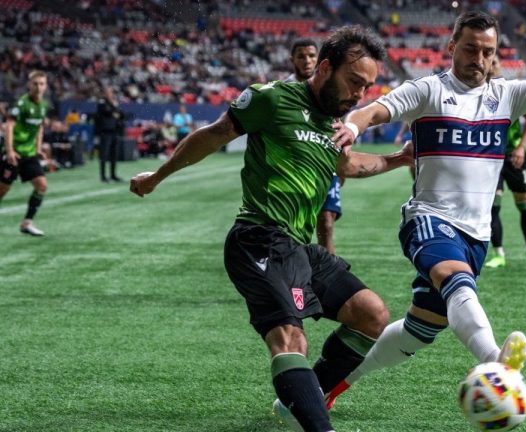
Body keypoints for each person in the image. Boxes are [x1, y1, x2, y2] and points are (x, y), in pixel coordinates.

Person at [330, 9, 526, 405]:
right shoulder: (428, 90)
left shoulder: (506, 95)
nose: (478, 60)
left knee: (420, 329)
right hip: (429, 219)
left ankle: (332, 384)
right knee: (455, 279)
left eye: (487, 52)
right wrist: (353, 126)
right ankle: (496, 361)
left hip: (476, 235)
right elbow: (375, 110)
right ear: (452, 47)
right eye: (469, 49)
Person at [129, 26, 410, 432]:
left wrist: (398, 160)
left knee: (372, 315)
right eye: (354, 82)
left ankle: (296, 401)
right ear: (326, 68)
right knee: (290, 340)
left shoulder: (334, 124)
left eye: (366, 87)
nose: (358, 95)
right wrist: (158, 175)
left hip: (298, 245)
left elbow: (348, 167)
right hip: (258, 237)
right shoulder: (271, 98)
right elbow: (213, 136)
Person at [484, 54, 526, 268]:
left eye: (495, 63)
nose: (491, 66)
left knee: (523, 203)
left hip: (514, 156)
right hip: (491, 157)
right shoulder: (476, 92)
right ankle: (498, 254)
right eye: (488, 62)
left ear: (500, 67)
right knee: (493, 206)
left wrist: (522, 146)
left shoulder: (510, 90)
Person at [284, 38, 343, 255]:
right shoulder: (285, 90)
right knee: (295, 227)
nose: (307, 60)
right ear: (292, 60)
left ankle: (329, 281)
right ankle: (295, 276)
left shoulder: (330, 89)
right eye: (301, 56)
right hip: (296, 167)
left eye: (311, 55)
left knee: (326, 224)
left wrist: (342, 162)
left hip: (326, 165)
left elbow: (338, 126)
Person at [0, 70, 49, 236]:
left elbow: (40, 127)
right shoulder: (21, 103)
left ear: (45, 86)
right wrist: (10, 151)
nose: (38, 87)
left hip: (29, 155)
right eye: (35, 84)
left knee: (41, 185)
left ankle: (26, 223)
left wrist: (38, 149)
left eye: (41, 84)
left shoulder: (43, 106)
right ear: (29, 85)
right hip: (14, 154)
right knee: (2, 190)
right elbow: (9, 127)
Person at [94, 86, 124, 182]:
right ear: (105, 93)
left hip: (114, 131)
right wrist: (114, 108)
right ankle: (103, 176)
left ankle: (113, 175)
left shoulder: (113, 103)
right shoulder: (102, 102)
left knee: (114, 154)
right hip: (105, 132)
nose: (111, 94)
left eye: (111, 92)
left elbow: (120, 114)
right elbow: (108, 112)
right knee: (104, 154)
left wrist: (114, 110)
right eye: (109, 92)